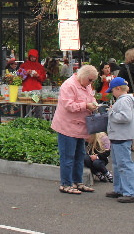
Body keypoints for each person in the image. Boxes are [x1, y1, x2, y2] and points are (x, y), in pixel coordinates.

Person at [51, 64, 99, 194]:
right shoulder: (68, 85)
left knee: (79, 155)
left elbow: (91, 97)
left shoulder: (86, 85)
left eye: (92, 81)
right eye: (90, 80)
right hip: (67, 126)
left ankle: (78, 182)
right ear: (83, 76)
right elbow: (68, 105)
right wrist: (86, 106)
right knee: (68, 156)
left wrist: (94, 104)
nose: (91, 83)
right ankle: (66, 184)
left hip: (80, 126)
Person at [105, 77, 134, 203]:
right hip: (119, 136)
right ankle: (120, 188)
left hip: (121, 136)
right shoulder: (127, 100)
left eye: (112, 90)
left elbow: (126, 117)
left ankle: (130, 192)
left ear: (118, 89)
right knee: (118, 164)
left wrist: (111, 113)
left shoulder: (123, 101)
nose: (112, 93)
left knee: (124, 165)